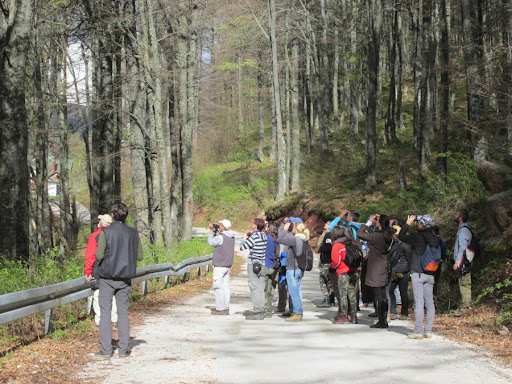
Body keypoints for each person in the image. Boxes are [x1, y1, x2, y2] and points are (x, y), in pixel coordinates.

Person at [94, 203, 143, 358]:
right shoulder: (133, 233)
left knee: (105, 312)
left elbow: (99, 255)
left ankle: (106, 350)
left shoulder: (105, 233)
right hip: (125, 278)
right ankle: (123, 349)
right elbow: (139, 256)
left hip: (107, 277)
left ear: (112, 215)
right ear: (125, 216)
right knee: (123, 313)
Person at [398, 214, 438, 339]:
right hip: (431, 273)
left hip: (418, 272)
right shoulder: (436, 238)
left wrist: (408, 223)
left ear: (422, 225)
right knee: (430, 303)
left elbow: (401, 236)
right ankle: (428, 330)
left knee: (419, 302)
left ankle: (418, 332)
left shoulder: (418, 237)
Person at [357, 214, 394, 329]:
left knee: (379, 295)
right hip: (384, 266)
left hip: (376, 268)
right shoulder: (388, 235)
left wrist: (368, 222)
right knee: (383, 294)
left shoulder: (378, 236)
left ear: (379, 223)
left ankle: (382, 321)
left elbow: (360, 234)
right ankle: (383, 319)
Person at [84, 214, 117, 326]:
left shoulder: (96, 235)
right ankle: (114, 318)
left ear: (101, 223)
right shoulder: (116, 235)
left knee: (98, 293)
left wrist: (88, 271)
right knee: (114, 292)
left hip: (99, 268)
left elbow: (90, 255)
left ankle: (100, 319)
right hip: (115, 268)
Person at [277, 220, 310, 322]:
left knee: (293, 291)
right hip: (299, 268)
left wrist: (284, 229)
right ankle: (296, 310)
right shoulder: (304, 239)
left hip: (293, 269)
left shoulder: (295, 240)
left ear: (295, 230)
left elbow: (280, 239)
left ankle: (296, 313)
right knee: (297, 290)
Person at [240, 218, 268, 320]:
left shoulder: (255, 236)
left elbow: (242, 247)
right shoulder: (264, 236)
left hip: (253, 263)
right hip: (262, 263)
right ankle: (260, 310)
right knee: (260, 288)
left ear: (255, 226)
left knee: (254, 287)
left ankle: (256, 311)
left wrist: (244, 238)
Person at [330, 226, 359, 324]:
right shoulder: (352, 243)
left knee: (343, 294)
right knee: (351, 294)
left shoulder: (337, 245)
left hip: (343, 272)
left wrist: (332, 267)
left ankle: (343, 316)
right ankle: (353, 316)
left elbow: (335, 261)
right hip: (354, 271)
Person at [208, 219, 236, 315]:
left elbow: (211, 242)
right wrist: (217, 232)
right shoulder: (231, 236)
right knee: (225, 287)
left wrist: (211, 231)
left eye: (220, 225)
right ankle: (226, 307)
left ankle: (220, 308)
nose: (219, 226)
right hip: (227, 264)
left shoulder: (221, 237)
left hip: (220, 265)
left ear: (223, 227)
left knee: (218, 286)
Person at [388, 224, 411, 320]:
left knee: (391, 291)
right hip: (404, 271)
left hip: (395, 271)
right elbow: (409, 259)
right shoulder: (407, 245)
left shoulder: (394, 245)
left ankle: (394, 310)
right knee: (403, 292)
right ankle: (404, 313)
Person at [452, 210, 473, 316]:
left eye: (456, 214)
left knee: (465, 284)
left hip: (463, 262)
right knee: (462, 284)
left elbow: (462, 248)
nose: (454, 215)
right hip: (463, 261)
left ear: (460, 218)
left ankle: (465, 308)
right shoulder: (462, 230)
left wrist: (457, 262)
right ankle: (463, 306)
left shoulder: (464, 230)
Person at [315, 221, 334, 308]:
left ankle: (328, 298)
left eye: (328, 223)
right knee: (329, 281)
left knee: (324, 280)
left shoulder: (329, 235)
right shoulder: (326, 234)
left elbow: (328, 247)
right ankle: (331, 298)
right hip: (327, 261)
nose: (325, 224)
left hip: (327, 261)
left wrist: (320, 248)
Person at [263, 222, 279, 318]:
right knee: (270, 289)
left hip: (265, 265)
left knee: (264, 289)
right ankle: (268, 309)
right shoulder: (275, 240)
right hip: (272, 266)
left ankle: (264, 309)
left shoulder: (266, 238)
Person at [431, 225, 447, 296]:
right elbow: (444, 255)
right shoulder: (442, 243)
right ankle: (434, 297)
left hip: (428, 264)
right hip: (437, 264)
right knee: (435, 282)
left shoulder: (429, 241)